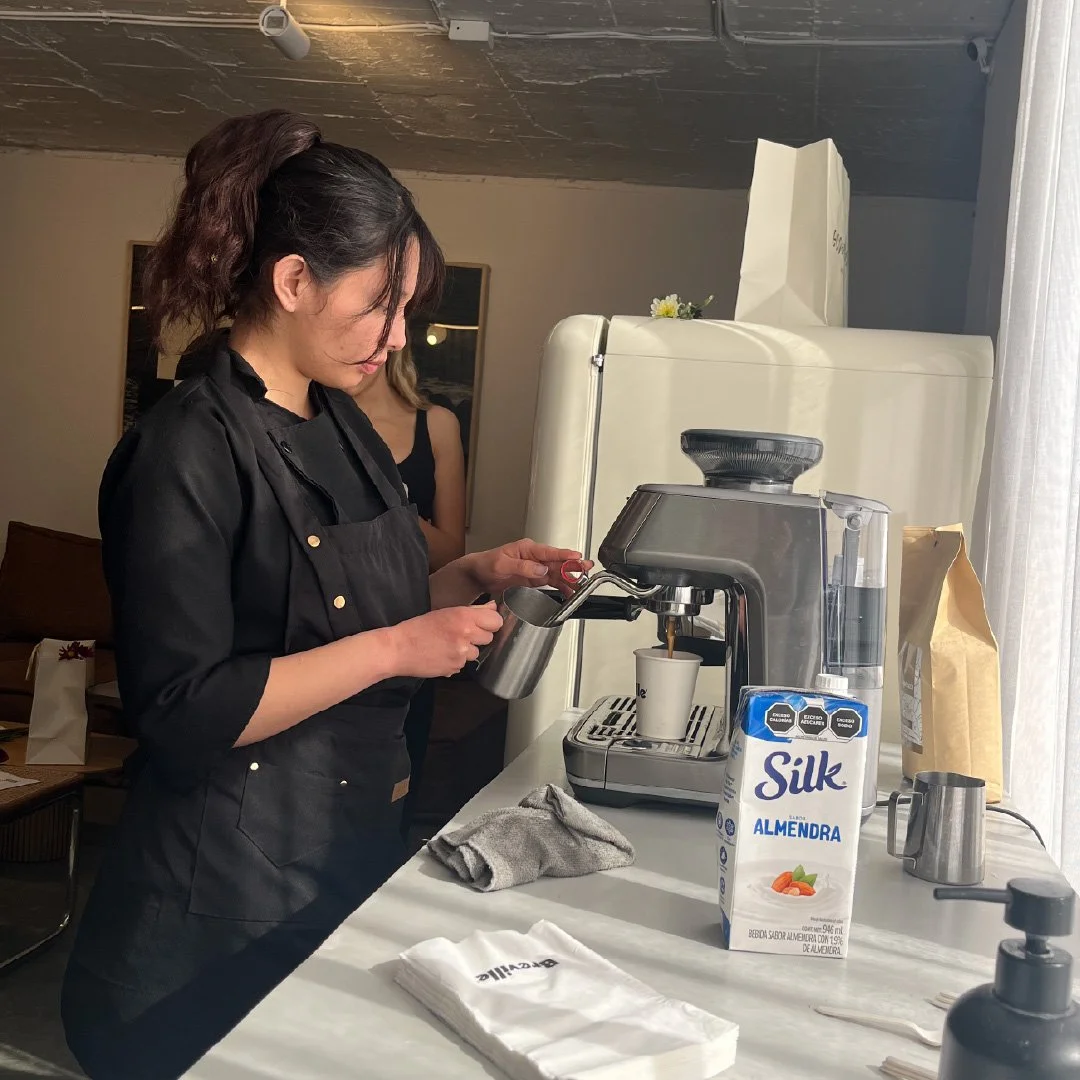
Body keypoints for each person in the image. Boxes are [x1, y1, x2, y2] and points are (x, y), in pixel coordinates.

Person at [60, 109, 585, 1080]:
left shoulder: (339, 423)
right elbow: (182, 711)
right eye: (379, 305)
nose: (395, 337)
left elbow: (341, 608)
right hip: (213, 915)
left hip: (335, 860)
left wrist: (472, 577)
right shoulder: (188, 447)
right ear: (292, 279)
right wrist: (396, 651)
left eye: (409, 311)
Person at [352, 349, 465, 836]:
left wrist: (387, 498)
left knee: (399, 782)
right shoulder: (310, 418)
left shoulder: (437, 425)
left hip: (410, 626)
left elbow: (449, 551)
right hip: (325, 626)